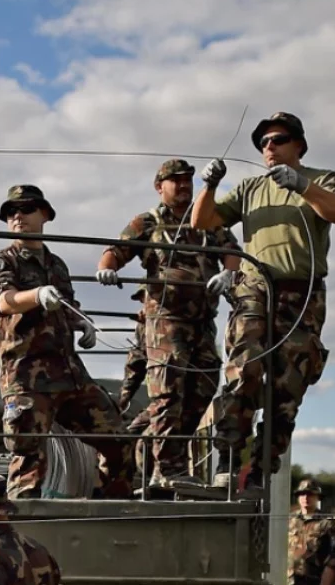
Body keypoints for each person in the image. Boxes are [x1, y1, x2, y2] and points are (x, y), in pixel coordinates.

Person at [190, 112, 335, 489]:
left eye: (277, 140)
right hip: (255, 285)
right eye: (263, 143)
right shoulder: (250, 188)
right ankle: (228, 457)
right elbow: (203, 221)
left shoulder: (322, 179)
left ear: (298, 145)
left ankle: (263, 467)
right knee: (244, 367)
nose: (269, 148)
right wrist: (209, 185)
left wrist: (301, 185)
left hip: (301, 293)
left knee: (288, 385)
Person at [0, 184, 137, 499]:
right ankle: (20, 534)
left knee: (119, 440)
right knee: (28, 459)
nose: (17, 217)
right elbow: (2, 300)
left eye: (26, 209)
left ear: (45, 215)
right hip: (27, 374)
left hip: (68, 373)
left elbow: (66, 303)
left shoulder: (56, 265)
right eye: (11, 213)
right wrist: (36, 295)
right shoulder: (3, 261)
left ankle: (110, 507)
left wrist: (82, 321)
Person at [94, 159, 240, 486]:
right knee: (169, 392)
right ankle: (167, 470)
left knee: (202, 387)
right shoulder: (147, 222)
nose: (184, 185)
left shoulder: (207, 221)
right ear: (160, 187)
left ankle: (145, 444)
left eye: (188, 180)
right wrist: (108, 267)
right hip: (165, 319)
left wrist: (228, 272)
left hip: (202, 321)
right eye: (176, 181)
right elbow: (117, 250)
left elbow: (231, 250)